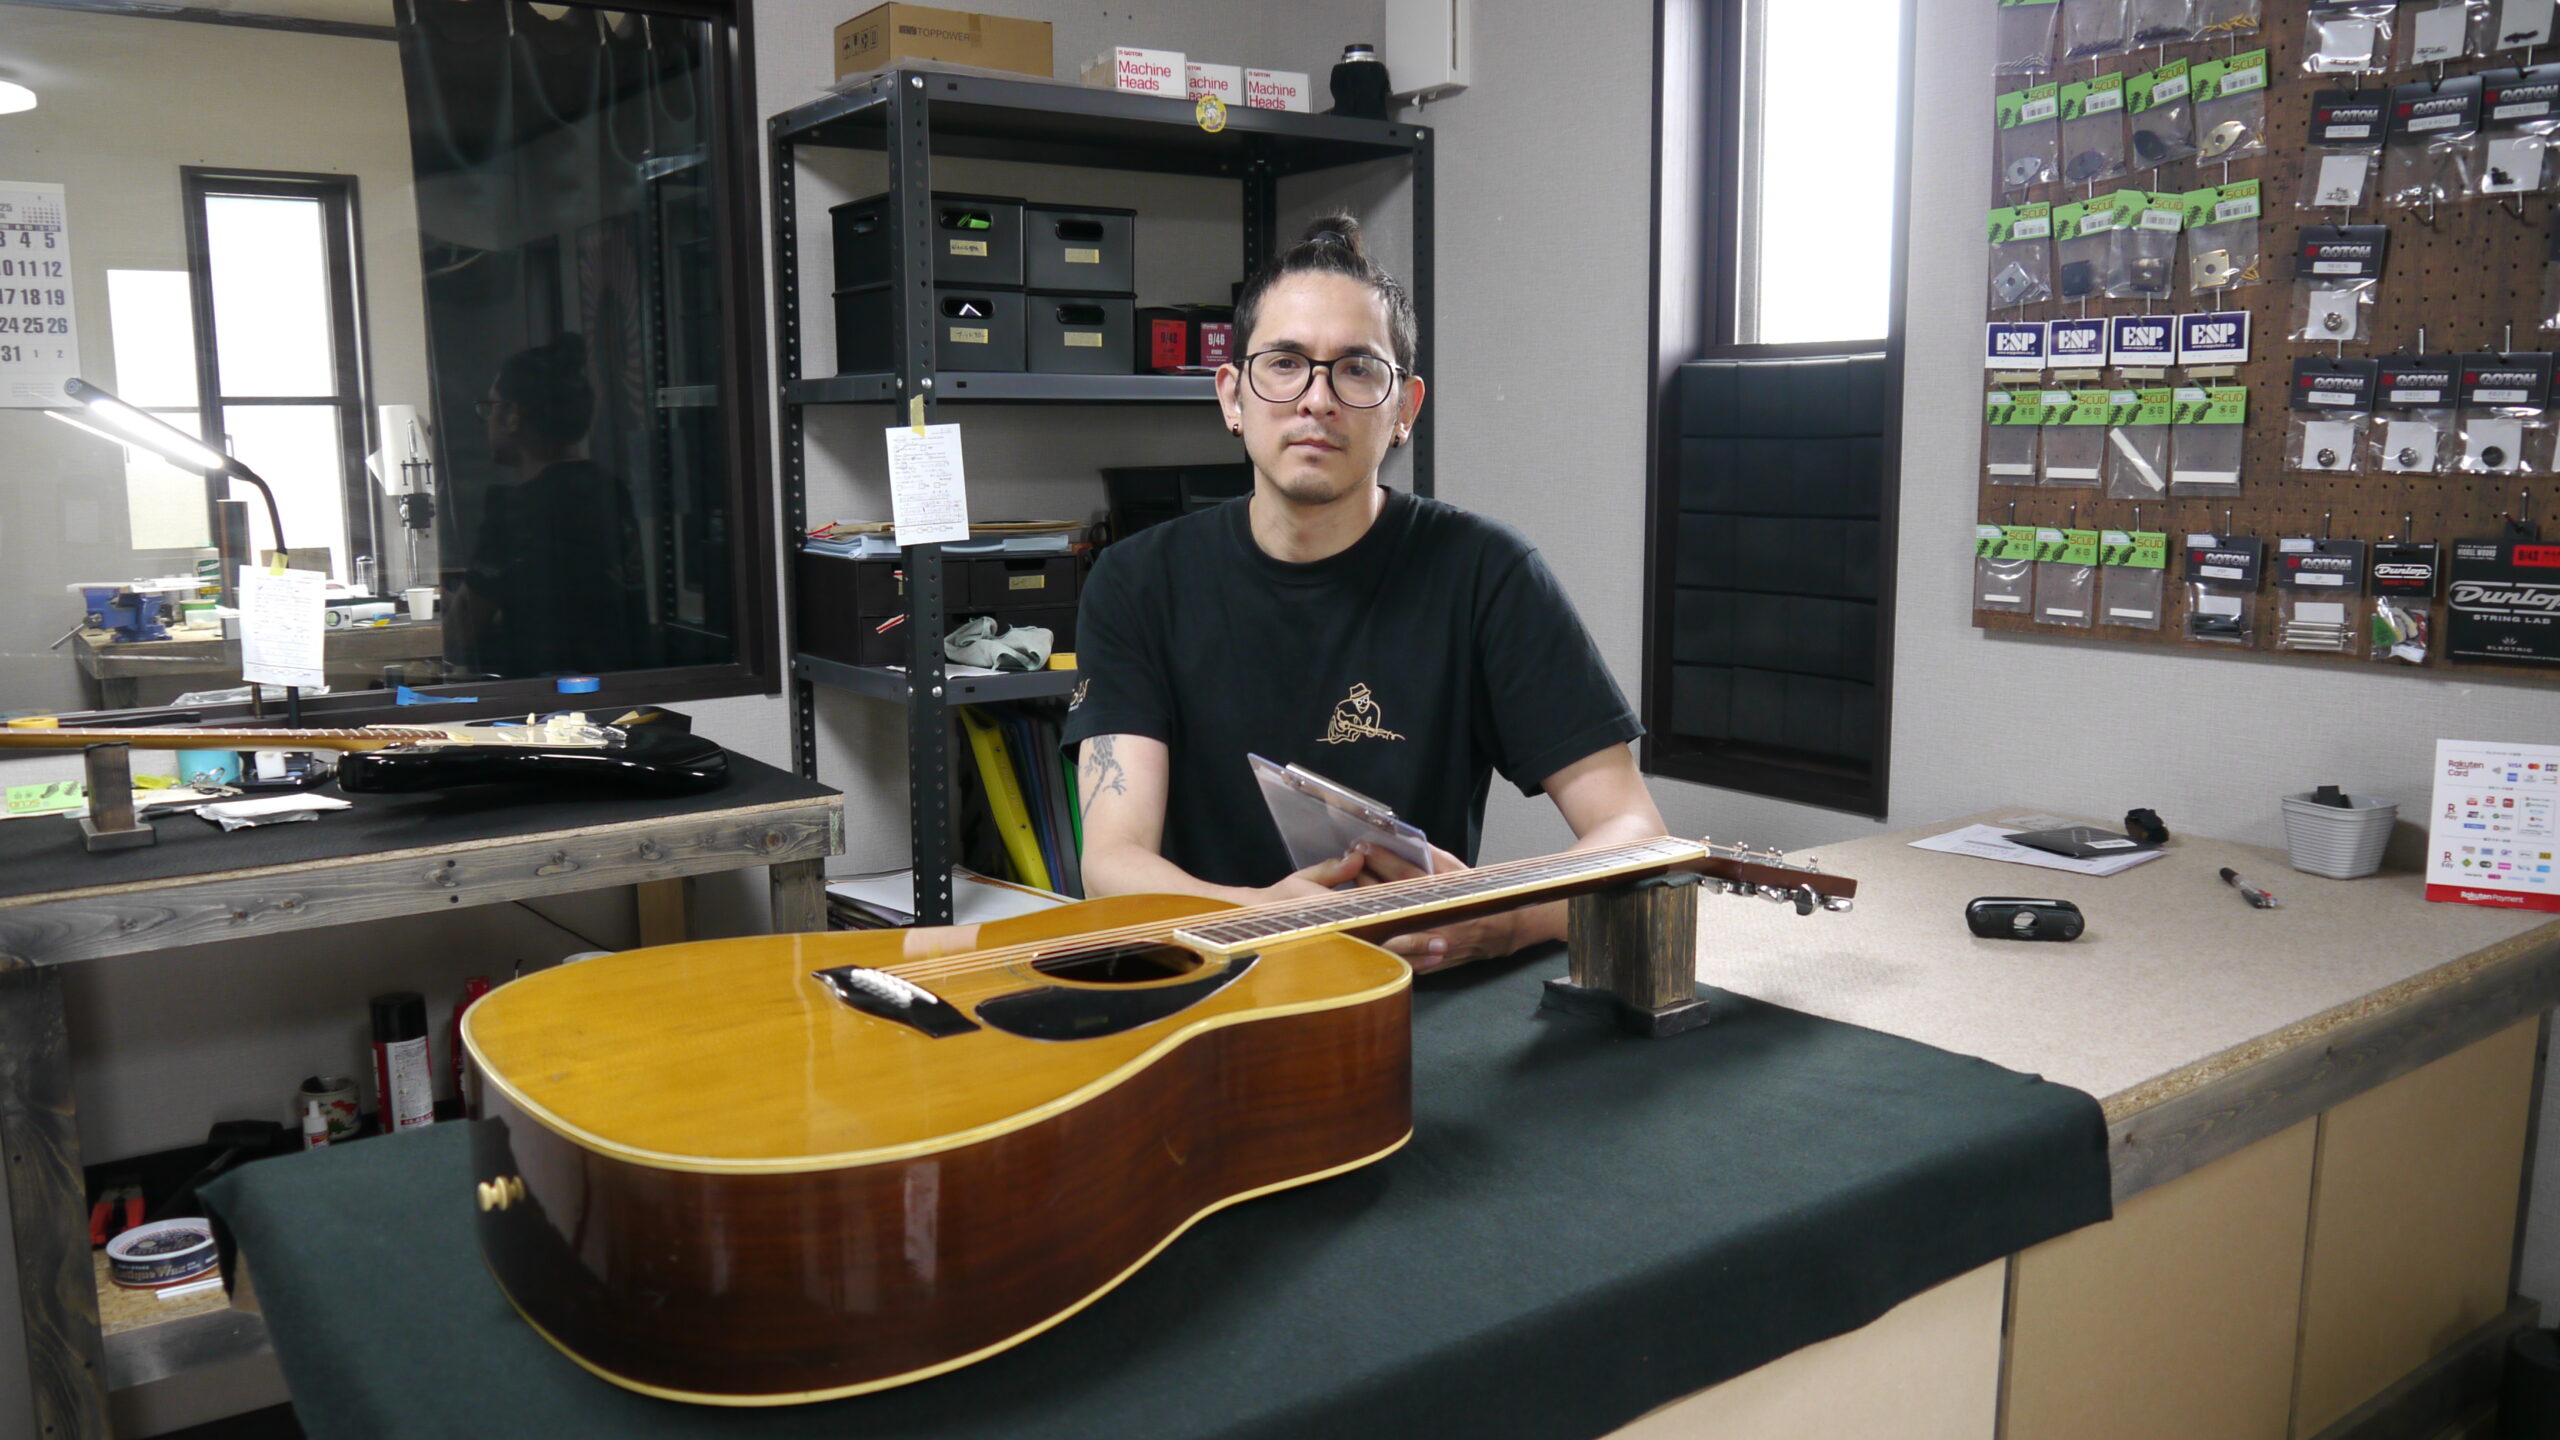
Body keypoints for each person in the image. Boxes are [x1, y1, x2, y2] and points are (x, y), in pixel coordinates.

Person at [1062, 215, 1668, 971]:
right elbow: (1111, 864)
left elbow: (1635, 834)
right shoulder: (1137, 582)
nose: (1316, 398)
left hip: (1417, 991)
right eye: (1285, 363)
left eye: (1356, 369)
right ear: (1232, 397)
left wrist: (1503, 919)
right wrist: (1263, 918)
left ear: (1404, 409)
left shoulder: (1486, 573)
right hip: (1211, 989)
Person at [446, 334, 652, 677]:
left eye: (491, 406)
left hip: (546, 697)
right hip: (618, 688)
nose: (488, 420)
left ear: (513, 416)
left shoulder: (518, 509)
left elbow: (460, 630)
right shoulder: (611, 491)